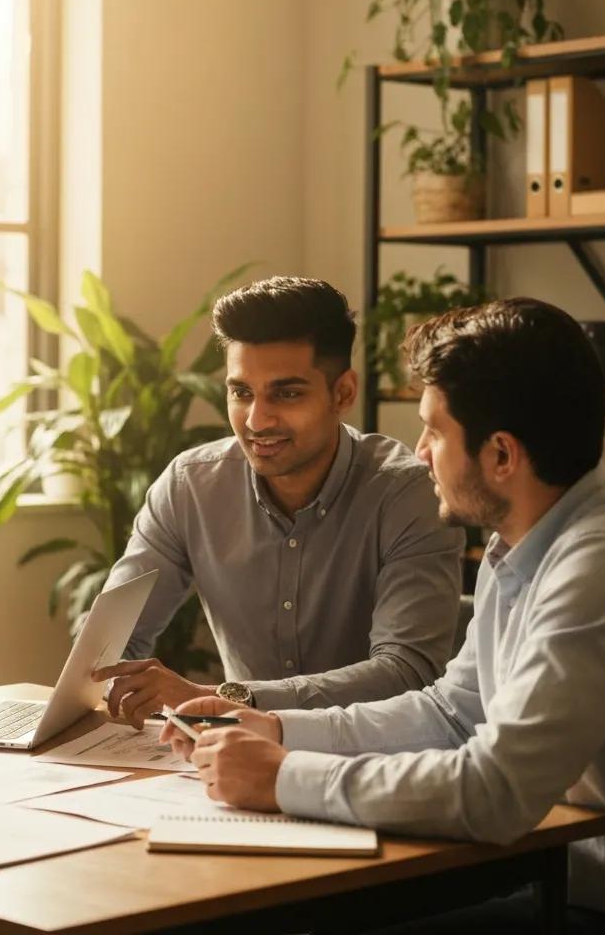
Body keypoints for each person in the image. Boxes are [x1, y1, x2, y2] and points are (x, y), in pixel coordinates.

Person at [168, 298, 605, 932]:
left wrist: (284, 778)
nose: (419, 453)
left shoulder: (601, 565)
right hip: (546, 877)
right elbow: (451, 713)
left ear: (501, 456)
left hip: (600, 903)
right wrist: (278, 728)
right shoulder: (521, 540)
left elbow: (495, 790)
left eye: (434, 432)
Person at [94, 276, 463, 728]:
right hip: (233, 756)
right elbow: (109, 647)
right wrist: (114, 688)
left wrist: (229, 699)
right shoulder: (190, 486)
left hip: (373, 759)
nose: (256, 419)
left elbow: (406, 672)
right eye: (240, 392)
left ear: (343, 393)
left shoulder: (406, 493)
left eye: (286, 394)